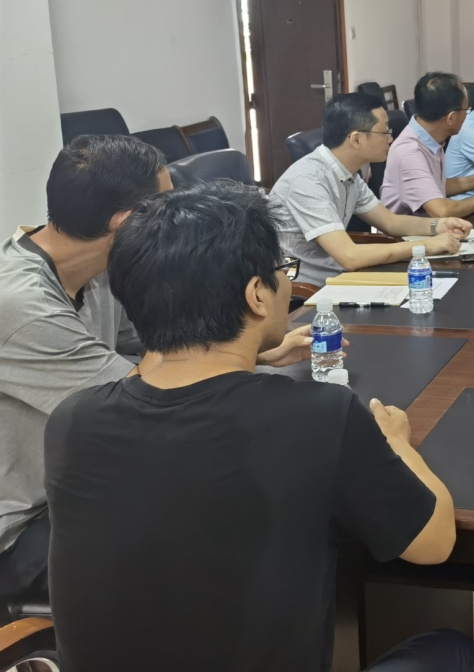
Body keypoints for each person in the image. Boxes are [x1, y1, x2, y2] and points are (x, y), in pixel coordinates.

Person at [44, 183, 474, 672]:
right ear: (257, 294)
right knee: (452, 649)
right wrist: (398, 443)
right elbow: (433, 543)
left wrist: (250, 356)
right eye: (283, 271)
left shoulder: (72, 421)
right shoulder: (319, 415)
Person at [0, 136, 315, 603]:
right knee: (221, 540)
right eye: (166, 206)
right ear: (125, 222)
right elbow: (144, 399)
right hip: (25, 527)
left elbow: (165, 346)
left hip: (86, 478)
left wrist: (260, 352)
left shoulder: (99, 269)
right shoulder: (22, 306)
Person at [269, 93, 471, 287]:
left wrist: (439, 225)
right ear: (356, 139)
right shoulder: (307, 181)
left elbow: (390, 222)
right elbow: (349, 256)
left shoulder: (348, 174)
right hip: (307, 290)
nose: (390, 139)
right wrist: (425, 246)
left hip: (339, 278)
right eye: (385, 132)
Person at [381, 73, 474, 218]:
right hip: (409, 231)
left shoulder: (430, 137)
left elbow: (435, 186)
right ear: (451, 118)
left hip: (429, 226)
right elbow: (441, 211)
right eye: (466, 110)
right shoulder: (410, 152)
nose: (467, 115)